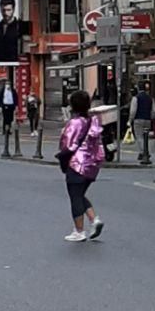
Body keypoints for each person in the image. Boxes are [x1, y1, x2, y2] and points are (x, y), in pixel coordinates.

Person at [58, 89, 105, 243]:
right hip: (92, 164)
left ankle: (79, 231)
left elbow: (69, 146)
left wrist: (62, 158)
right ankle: (94, 219)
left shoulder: (75, 123)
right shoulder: (93, 121)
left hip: (77, 164)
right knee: (80, 194)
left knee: (75, 197)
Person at [0, 0, 22, 64]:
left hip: (15, 64)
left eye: (8, 10)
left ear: (13, 9)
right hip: (0, 65)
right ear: (0, 10)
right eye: (3, 10)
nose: (5, 13)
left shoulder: (20, 26)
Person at [131, 86, 154, 160]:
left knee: (139, 137)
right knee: (146, 137)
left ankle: (143, 152)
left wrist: (131, 119)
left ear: (138, 89)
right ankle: (145, 151)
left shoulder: (136, 98)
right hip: (147, 120)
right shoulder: (150, 98)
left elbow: (133, 111)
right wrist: (151, 117)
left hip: (138, 119)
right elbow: (154, 111)